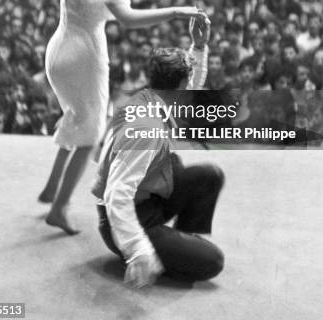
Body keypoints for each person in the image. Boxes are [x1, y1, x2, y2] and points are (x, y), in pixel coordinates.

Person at [39, 0, 207, 234]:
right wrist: (176, 11)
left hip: (57, 50)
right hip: (84, 57)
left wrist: (83, 15)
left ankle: (50, 189)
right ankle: (59, 207)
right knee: (90, 135)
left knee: (74, 118)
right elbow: (130, 21)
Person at [92, 17, 225, 288]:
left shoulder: (154, 97)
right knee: (213, 261)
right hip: (125, 219)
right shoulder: (145, 128)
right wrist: (138, 249)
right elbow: (116, 196)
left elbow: (191, 84)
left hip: (150, 199)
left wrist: (199, 46)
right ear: (178, 88)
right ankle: (157, 252)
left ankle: (175, 246)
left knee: (209, 176)